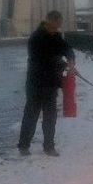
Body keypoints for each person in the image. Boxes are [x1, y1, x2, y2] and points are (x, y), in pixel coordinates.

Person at [18, 10, 75, 156]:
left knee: (50, 118)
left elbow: (66, 48)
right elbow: (42, 60)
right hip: (36, 84)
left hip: (50, 85)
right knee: (31, 116)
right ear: (51, 21)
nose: (59, 26)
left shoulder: (56, 35)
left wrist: (71, 60)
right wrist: (63, 65)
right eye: (58, 23)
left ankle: (49, 147)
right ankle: (24, 146)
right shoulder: (36, 37)